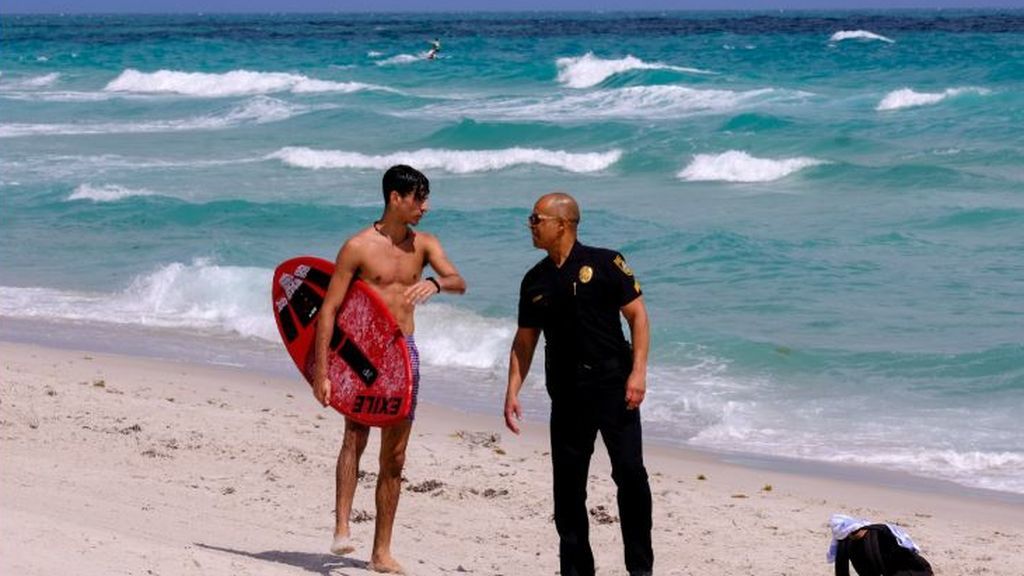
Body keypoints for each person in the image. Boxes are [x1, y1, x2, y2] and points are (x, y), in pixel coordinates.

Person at [312, 164, 466, 574]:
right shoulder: (358, 247)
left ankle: (381, 552)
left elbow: (458, 280)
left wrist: (435, 283)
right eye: (419, 198)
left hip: (403, 353)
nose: (425, 207)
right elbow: (328, 310)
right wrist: (321, 370)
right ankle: (342, 527)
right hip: (363, 352)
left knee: (395, 458)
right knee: (354, 437)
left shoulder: (425, 245)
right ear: (395, 198)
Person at [504, 192, 653, 576]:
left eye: (536, 218)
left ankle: (640, 568)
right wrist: (512, 390)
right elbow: (525, 341)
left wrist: (638, 372)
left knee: (631, 475)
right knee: (568, 489)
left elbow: (637, 316)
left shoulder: (605, 263)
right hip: (567, 393)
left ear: (562, 223)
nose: (530, 225)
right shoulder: (534, 280)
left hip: (613, 386)